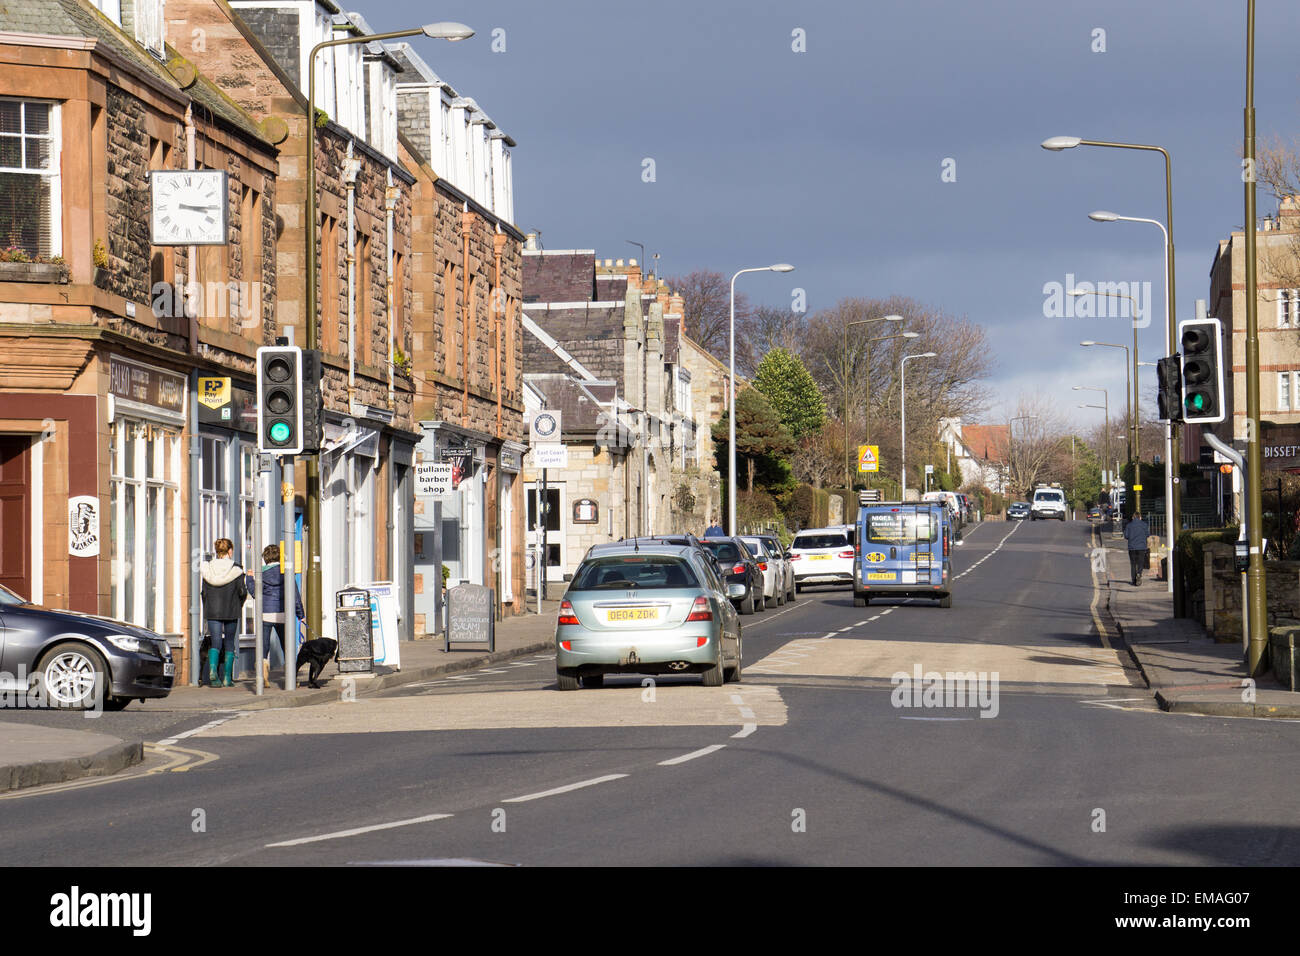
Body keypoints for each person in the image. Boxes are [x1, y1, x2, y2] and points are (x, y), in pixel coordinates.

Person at [247, 545, 304, 685]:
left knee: (263, 647)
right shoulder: (287, 573)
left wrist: (249, 579)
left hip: (266, 614)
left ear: (265, 558)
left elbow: (255, 593)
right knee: (287, 646)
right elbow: (295, 596)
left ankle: (263, 676)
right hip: (283, 614)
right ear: (280, 557)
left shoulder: (261, 574)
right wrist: (300, 614)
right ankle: (291, 677)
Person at [200, 538, 248, 687]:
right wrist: (239, 604)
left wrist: (207, 606)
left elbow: (204, 592)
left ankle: (213, 673)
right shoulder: (236, 569)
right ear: (230, 551)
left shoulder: (207, 569)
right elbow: (242, 591)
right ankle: (227, 678)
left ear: (217, 551)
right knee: (229, 642)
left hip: (212, 610)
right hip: (232, 609)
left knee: (215, 642)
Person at [1124, 511, 1151, 586]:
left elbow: (1126, 536)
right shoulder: (1144, 525)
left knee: (1133, 564)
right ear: (1140, 517)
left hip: (1132, 547)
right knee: (1140, 562)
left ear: (1133, 517)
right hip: (1142, 547)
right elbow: (1148, 534)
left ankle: (1133, 580)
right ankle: (1139, 573)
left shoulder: (1129, 525)